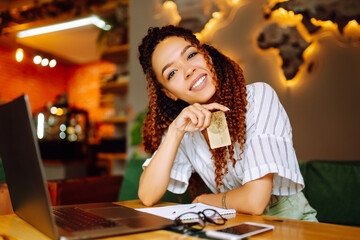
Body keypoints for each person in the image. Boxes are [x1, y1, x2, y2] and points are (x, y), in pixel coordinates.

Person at [137, 25, 317, 221]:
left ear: (207, 55)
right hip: (237, 229)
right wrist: (175, 131)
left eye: (191, 55)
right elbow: (147, 195)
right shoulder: (186, 126)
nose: (188, 70)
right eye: (172, 73)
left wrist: (205, 201)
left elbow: (255, 201)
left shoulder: (258, 98)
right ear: (169, 93)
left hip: (292, 226)